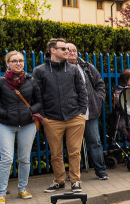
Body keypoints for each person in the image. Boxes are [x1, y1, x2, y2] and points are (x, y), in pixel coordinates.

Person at [32, 38, 88, 193]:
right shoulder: (40, 71)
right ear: (53, 50)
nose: (67, 51)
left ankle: (76, 181)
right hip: (51, 118)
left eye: (67, 49)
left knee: (74, 151)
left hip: (75, 116)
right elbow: (36, 94)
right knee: (55, 153)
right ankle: (59, 181)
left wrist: (82, 111)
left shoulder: (73, 69)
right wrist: (43, 115)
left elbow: (82, 91)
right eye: (63, 49)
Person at [0, 51, 42, 204]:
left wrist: (30, 110)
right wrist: (4, 113)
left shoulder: (31, 80)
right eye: (14, 61)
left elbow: (39, 102)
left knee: (25, 159)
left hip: (27, 125)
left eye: (21, 61)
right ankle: (1, 193)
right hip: (6, 125)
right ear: (8, 63)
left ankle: (22, 188)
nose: (18, 63)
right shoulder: (0, 82)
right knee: (6, 159)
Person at [65, 43, 108, 180]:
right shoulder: (61, 70)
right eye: (69, 51)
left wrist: (99, 98)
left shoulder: (87, 67)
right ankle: (74, 174)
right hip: (72, 114)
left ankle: (101, 171)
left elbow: (100, 84)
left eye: (74, 50)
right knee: (73, 145)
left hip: (90, 112)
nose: (72, 53)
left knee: (95, 142)